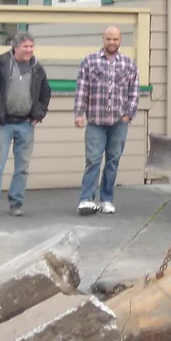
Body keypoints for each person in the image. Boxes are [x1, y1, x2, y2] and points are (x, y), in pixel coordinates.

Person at [0, 30, 51, 218]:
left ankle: (16, 203)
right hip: (3, 124)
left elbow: (45, 94)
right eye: (25, 47)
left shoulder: (37, 68)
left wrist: (39, 114)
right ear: (15, 47)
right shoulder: (0, 65)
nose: (29, 50)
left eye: (31, 46)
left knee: (22, 168)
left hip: (26, 124)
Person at [74, 25, 139, 215]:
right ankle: (86, 199)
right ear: (103, 39)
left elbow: (134, 92)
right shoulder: (90, 61)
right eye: (108, 39)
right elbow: (81, 89)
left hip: (119, 122)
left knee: (113, 161)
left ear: (120, 41)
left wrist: (128, 115)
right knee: (93, 160)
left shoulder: (129, 64)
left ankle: (106, 199)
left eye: (115, 39)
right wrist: (79, 113)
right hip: (95, 121)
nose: (112, 42)